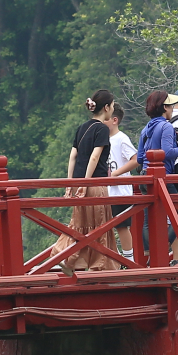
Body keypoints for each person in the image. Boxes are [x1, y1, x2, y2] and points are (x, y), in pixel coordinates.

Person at [137, 89, 178, 262]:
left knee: (149, 221)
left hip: (145, 177)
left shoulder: (146, 128)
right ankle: (159, 249)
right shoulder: (167, 127)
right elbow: (167, 152)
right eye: (170, 105)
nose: (172, 109)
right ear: (164, 107)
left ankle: (150, 254)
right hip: (162, 179)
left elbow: (141, 157)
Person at [62, 90, 117, 271]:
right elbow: (95, 158)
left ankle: (72, 261)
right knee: (99, 226)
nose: (113, 109)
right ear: (107, 107)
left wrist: (70, 184)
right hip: (94, 184)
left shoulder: (82, 127)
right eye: (113, 106)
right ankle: (99, 266)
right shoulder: (102, 129)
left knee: (79, 225)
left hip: (78, 183)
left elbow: (73, 157)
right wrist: (87, 183)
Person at [105, 102, 138, 256]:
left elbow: (136, 159)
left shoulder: (121, 139)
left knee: (122, 226)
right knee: (106, 227)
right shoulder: (103, 140)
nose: (103, 122)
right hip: (107, 191)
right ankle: (114, 258)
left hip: (121, 191)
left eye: (106, 119)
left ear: (115, 120)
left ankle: (128, 258)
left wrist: (116, 174)